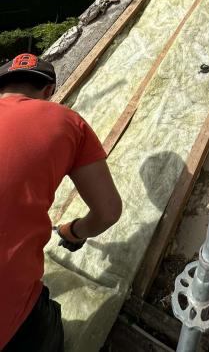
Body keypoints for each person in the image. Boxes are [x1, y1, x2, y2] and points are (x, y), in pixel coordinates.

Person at [0, 53, 122, 351]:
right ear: (49, 91)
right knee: (47, 322)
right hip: (9, 322)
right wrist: (73, 232)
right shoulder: (67, 121)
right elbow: (108, 212)